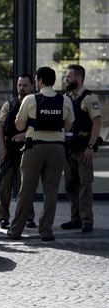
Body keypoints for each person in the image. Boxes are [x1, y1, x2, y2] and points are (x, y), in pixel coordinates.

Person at [7, 67, 74, 242]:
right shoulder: (65, 100)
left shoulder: (30, 99)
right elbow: (68, 126)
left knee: (26, 190)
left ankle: (16, 231)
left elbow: (20, 126)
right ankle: (46, 231)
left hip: (35, 148)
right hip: (57, 149)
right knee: (51, 191)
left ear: (40, 81)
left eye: (36, 80)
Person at [61, 64, 103, 233]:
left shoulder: (89, 98)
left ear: (78, 78)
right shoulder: (66, 97)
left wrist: (91, 146)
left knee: (85, 184)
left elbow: (97, 122)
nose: (66, 79)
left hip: (84, 149)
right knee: (70, 185)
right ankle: (75, 218)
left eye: (69, 77)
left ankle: (87, 220)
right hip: (69, 148)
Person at [0, 74, 36, 229]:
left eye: (25, 85)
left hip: (29, 148)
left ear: (32, 86)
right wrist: (1, 146)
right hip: (10, 149)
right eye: (19, 85)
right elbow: (0, 126)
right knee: (5, 184)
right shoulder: (9, 104)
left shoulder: (36, 103)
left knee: (27, 185)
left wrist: (25, 136)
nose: (22, 88)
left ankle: (28, 216)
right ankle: (2, 217)